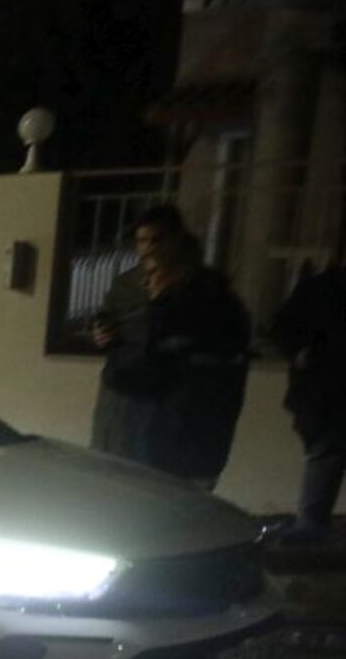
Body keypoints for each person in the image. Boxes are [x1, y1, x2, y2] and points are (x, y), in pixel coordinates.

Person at [89, 204, 251, 485]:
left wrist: (162, 306)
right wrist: (101, 331)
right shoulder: (128, 283)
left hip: (176, 422)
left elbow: (194, 354)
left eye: (157, 240)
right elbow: (108, 318)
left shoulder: (208, 292)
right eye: (142, 241)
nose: (148, 249)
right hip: (123, 410)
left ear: (177, 240)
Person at [270, 251, 346, 542]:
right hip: (324, 391)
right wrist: (301, 353)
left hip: (323, 391)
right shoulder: (322, 288)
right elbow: (283, 328)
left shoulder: (322, 288)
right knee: (324, 452)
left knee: (324, 454)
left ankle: (311, 523)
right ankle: (311, 522)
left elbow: (283, 327)